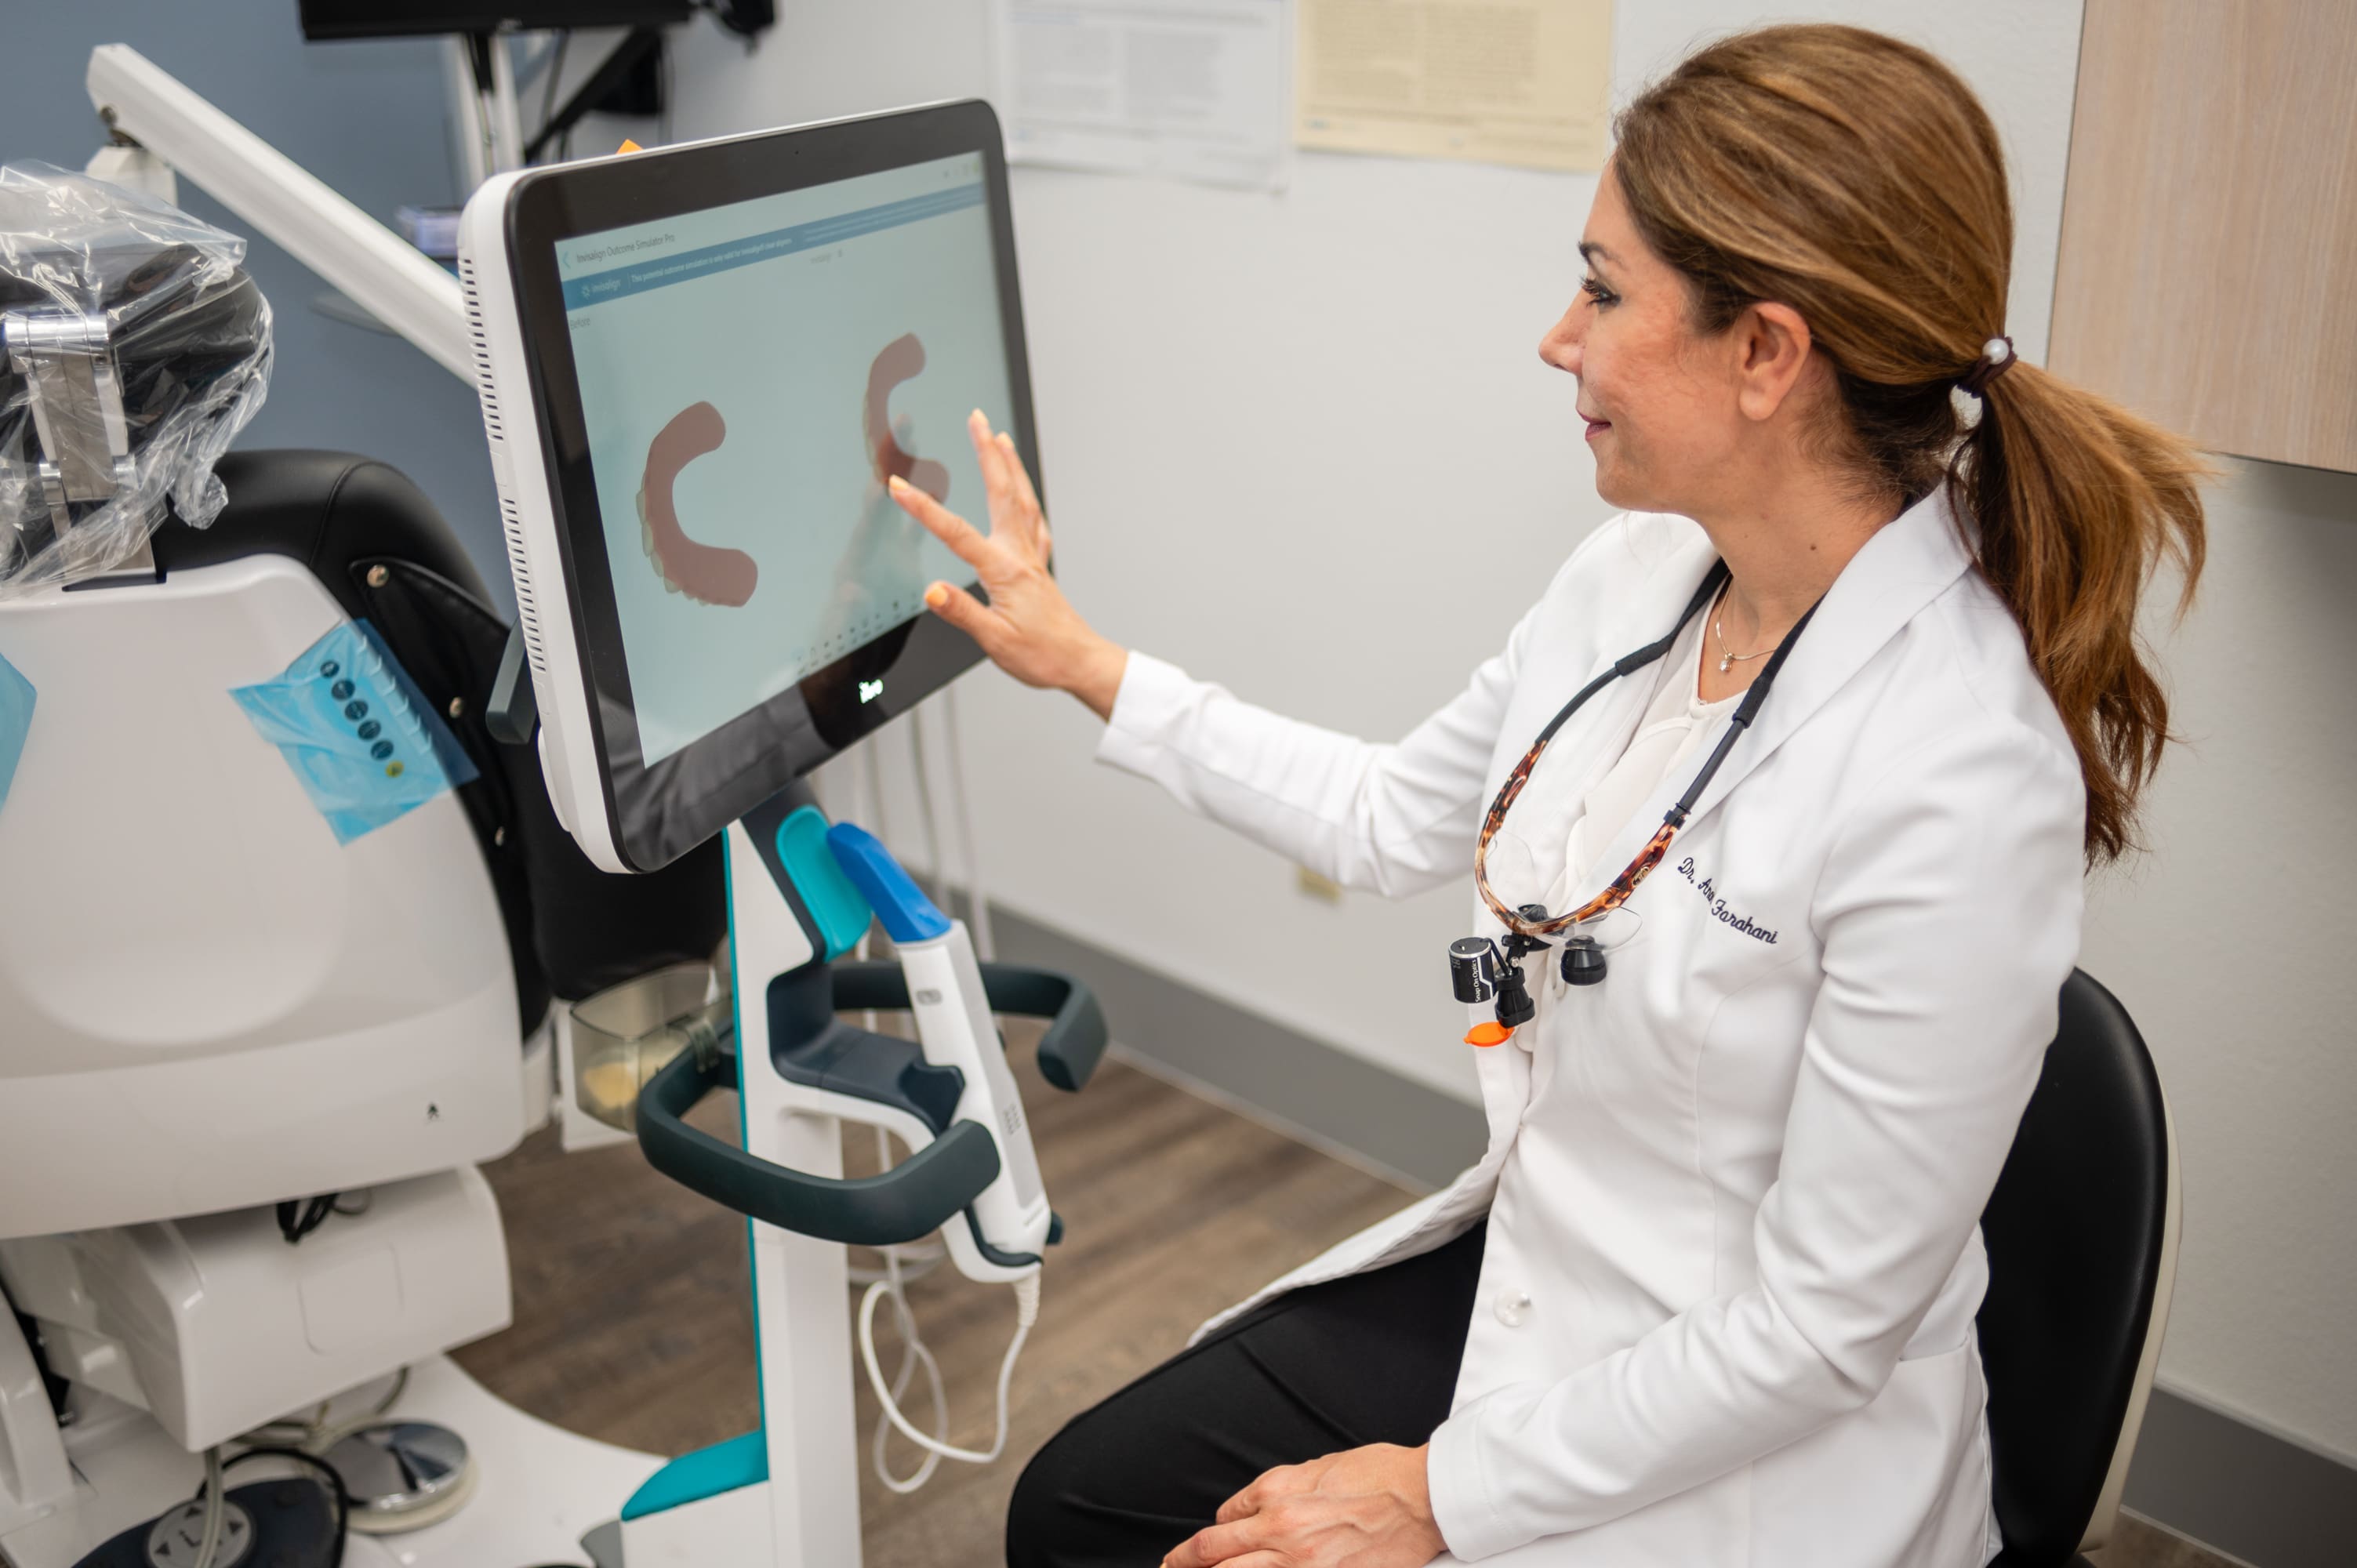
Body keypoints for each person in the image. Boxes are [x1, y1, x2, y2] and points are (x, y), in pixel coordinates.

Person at [888, 23, 2206, 1568]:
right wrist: (1087, 661)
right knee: (1082, 1510)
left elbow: (1818, 1331)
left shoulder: (1960, 776)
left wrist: (1437, 1494)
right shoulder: (1637, 576)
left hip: (1765, 1449)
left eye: (1601, 288)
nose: (1555, 338)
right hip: (1550, 1273)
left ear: (1768, 353)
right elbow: (1386, 813)